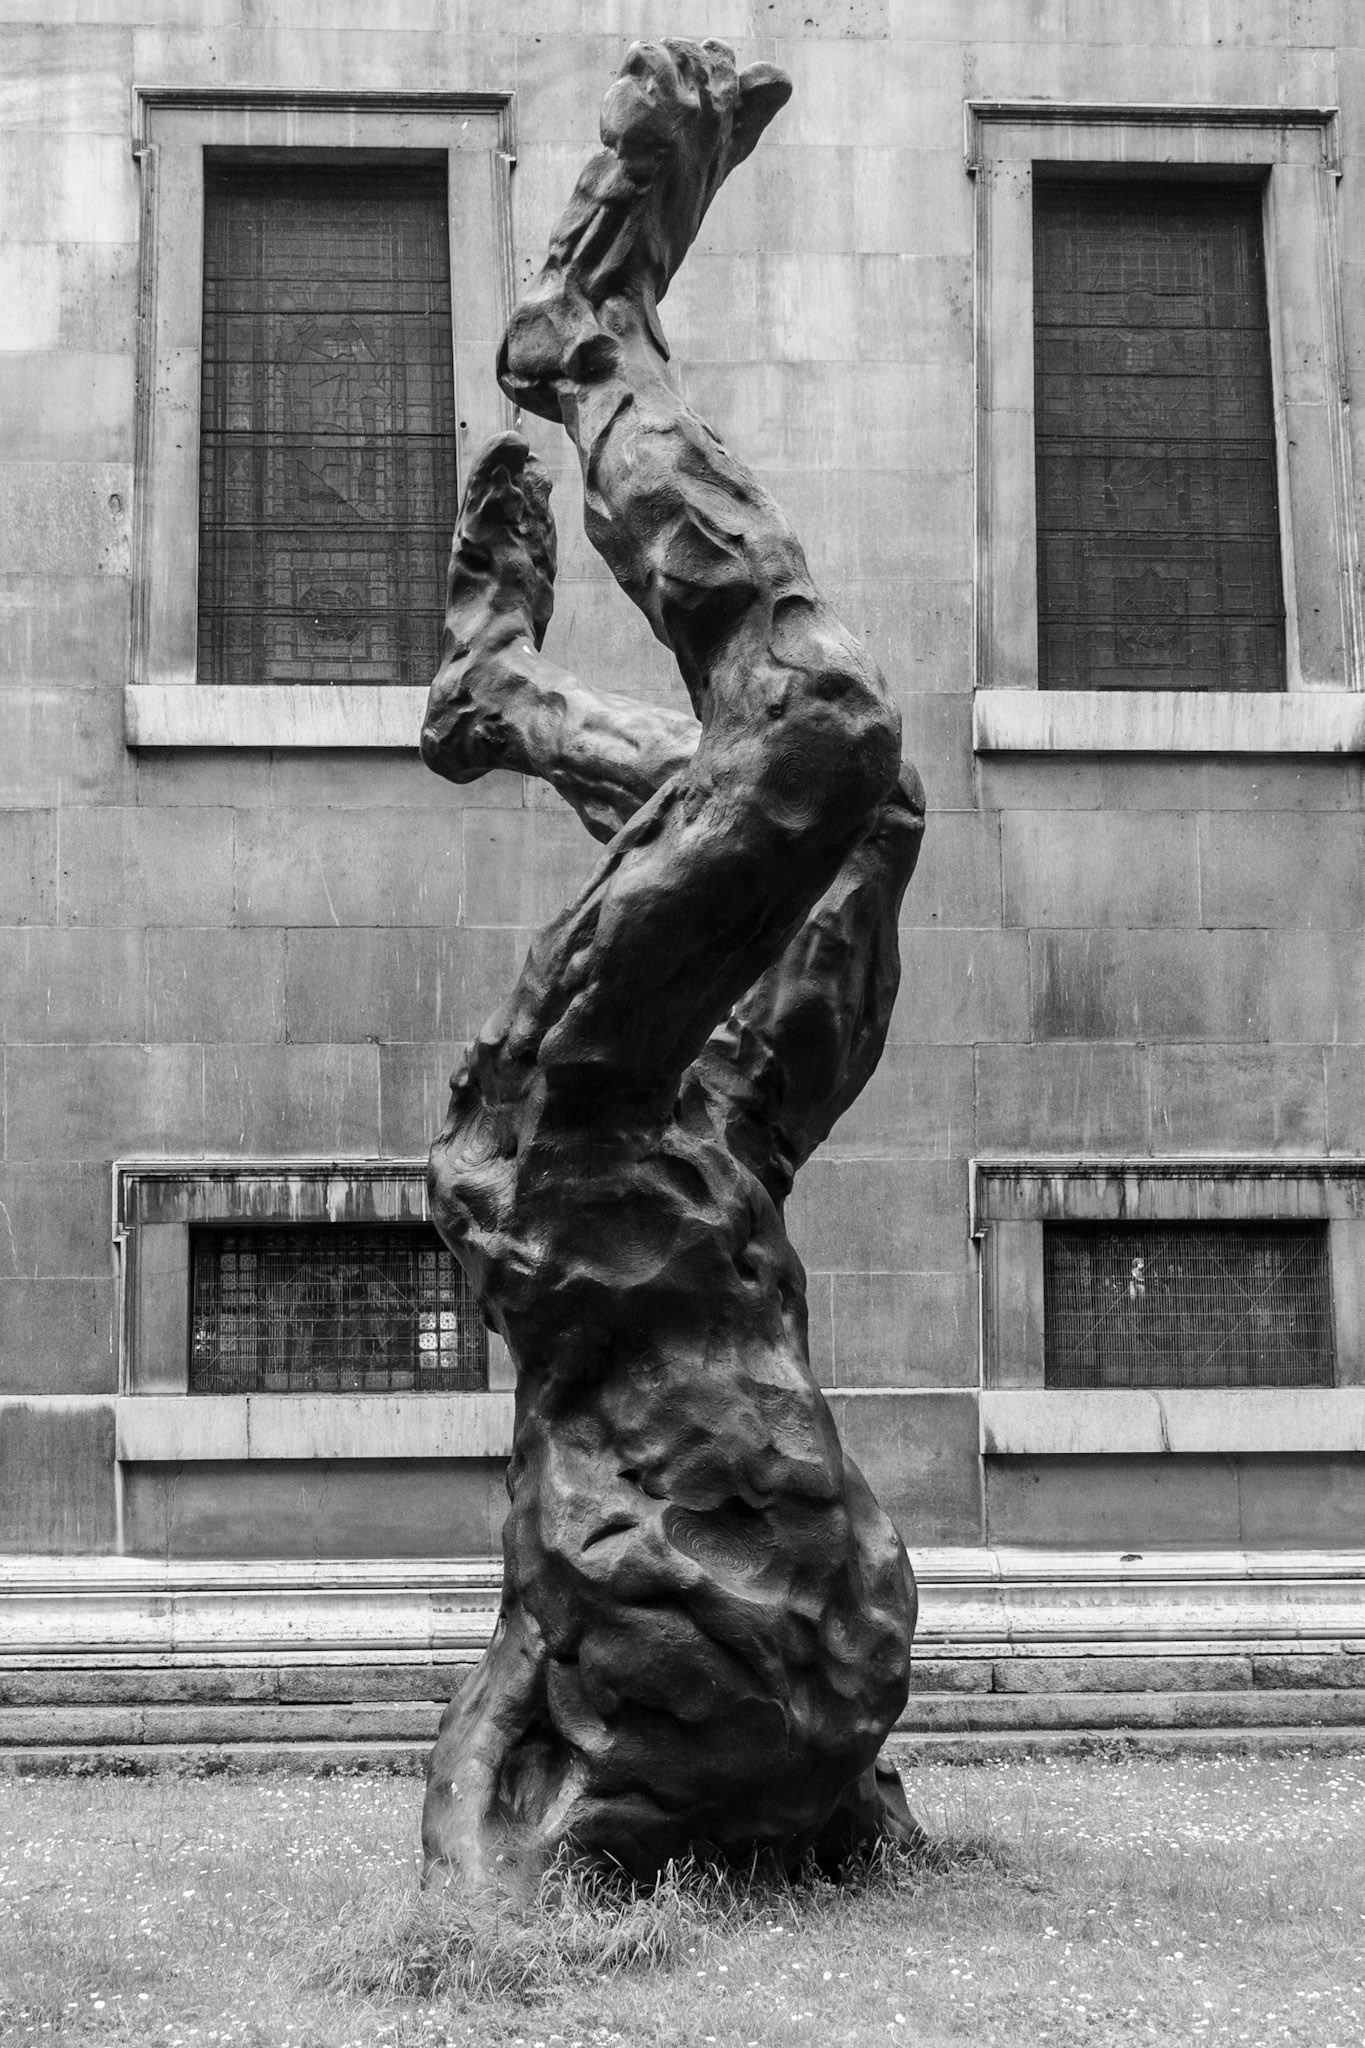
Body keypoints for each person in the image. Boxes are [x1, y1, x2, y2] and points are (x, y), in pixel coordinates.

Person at [419, 36, 926, 1891]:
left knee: (817, 728)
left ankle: (587, 339)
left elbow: (496, 1709)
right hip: (721, 1186)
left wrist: (470, 1896)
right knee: (858, 802)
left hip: (577, 1157)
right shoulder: (801, 1721)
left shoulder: (582, 1637)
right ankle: (507, 693)